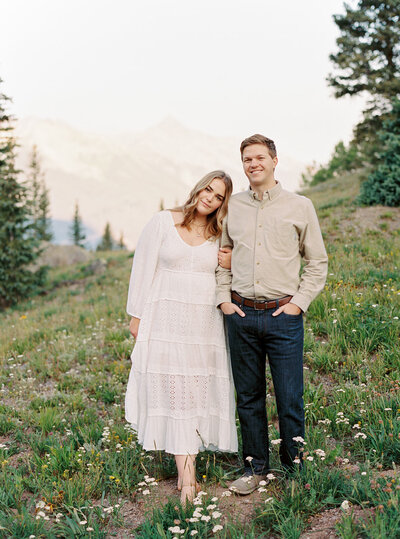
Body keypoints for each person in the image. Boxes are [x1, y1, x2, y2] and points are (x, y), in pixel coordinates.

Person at [216, 134, 328, 495]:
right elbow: (223, 259)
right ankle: (254, 468)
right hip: (241, 315)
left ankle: (295, 470)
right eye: (247, 159)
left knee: (290, 395)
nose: (254, 164)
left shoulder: (300, 206)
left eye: (260, 157)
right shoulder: (232, 207)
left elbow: (317, 262)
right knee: (248, 397)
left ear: (275, 161)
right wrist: (224, 301)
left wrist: (298, 303)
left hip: (284, 315)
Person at [125, 171, 238, 504]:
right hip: (163, 321)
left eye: (218, 196)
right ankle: (186, 478)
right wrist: (137, 316)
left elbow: (229, 275)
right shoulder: (163, 222)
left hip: (203, 325)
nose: (210, 198)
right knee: (174, 392)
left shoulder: (219, 234)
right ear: (198, 188)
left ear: (223, 203)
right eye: (208, 190)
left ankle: (187, 473)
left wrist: (231, 260)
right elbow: (142, 267)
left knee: (192, 393)